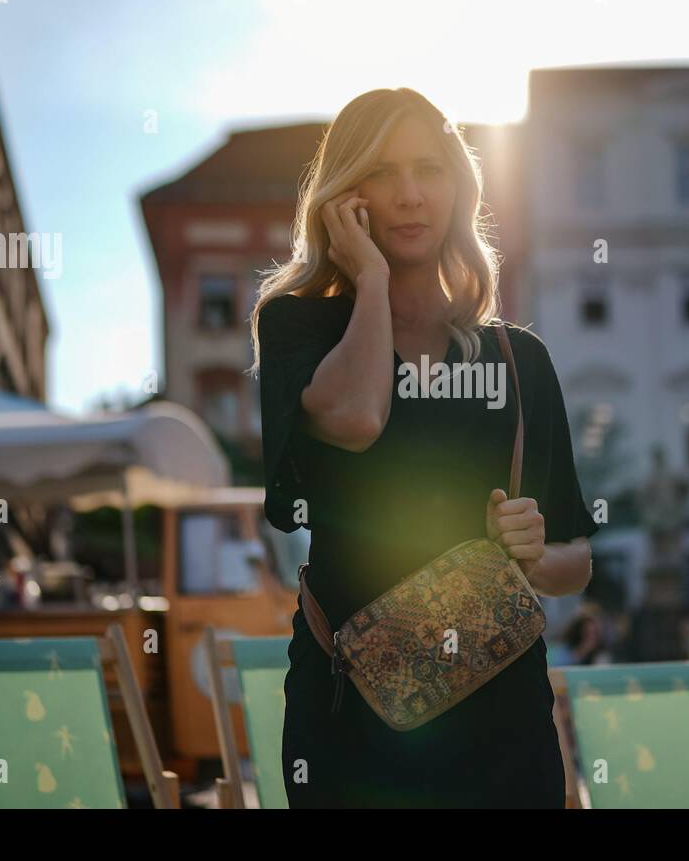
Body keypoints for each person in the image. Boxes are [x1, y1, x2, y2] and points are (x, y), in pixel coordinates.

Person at [250, 88, 598, 808]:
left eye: (429, 169)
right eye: (381, 172)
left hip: (499, 715)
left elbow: (574, 562)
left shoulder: (519, 359)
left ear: (458, 186)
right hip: (350, 712)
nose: (409, 195)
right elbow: (357, 415)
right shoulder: (296, 329)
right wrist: (372, 279)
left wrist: (535, 552)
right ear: (347, 194)